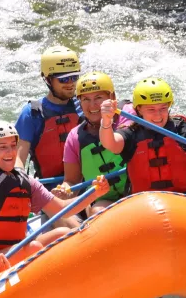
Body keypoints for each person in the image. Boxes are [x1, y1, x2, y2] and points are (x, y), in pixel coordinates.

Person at [0, 121, 109, 286]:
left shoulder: (24, 182)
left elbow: (62, 209)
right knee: (33, 247)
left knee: (63, 232)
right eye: (2, 147)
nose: (10, 152)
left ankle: (86, 278)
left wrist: (94, 194)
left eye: (13, 145)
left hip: (13, 252)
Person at [53, 72, 136, 216]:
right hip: (104, 201)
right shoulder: (75, 137)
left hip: (137, 192)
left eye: (98, 97)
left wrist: (107, 120)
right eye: (86, 99)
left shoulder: (128, 114)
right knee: (97, 211)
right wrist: (65, 191)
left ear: (112, 98)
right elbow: (72, 181)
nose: (92, 105)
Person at [15, 46, 83, 180]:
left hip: (88, 185)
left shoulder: (85, 105)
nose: (70, 83)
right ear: (47, 79)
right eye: (63, 79)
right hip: (49, 189)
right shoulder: (32, 114)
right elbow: (18, 159)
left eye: (74, 77)